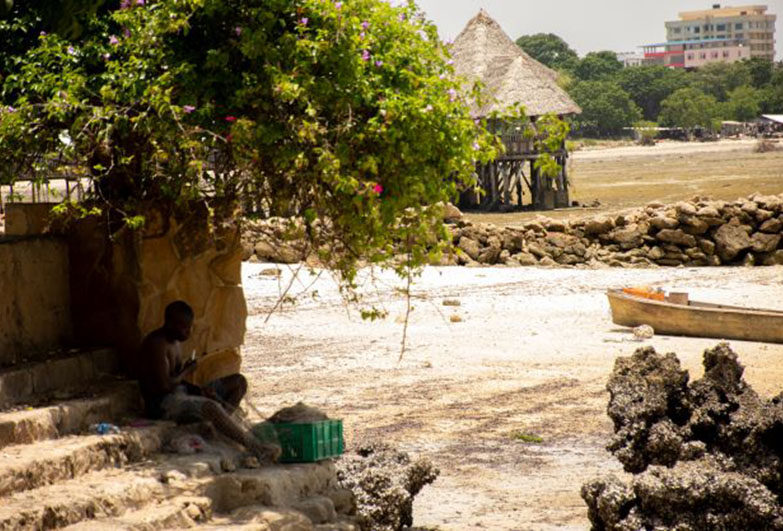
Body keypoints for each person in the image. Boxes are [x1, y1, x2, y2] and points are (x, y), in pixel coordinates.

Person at [137, 300, 279, 462]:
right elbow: (164, 386)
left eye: (189, 327)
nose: (188, 332)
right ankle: (255, 447)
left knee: (238, 382)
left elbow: (178, 382)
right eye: (184, 327)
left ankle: (221, 428)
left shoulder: (175, 342)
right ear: (171, 324)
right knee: (211, 406)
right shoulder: (156, 344)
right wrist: (187, 371)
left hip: (180, 394)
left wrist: (199, 390)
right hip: (163, 405)